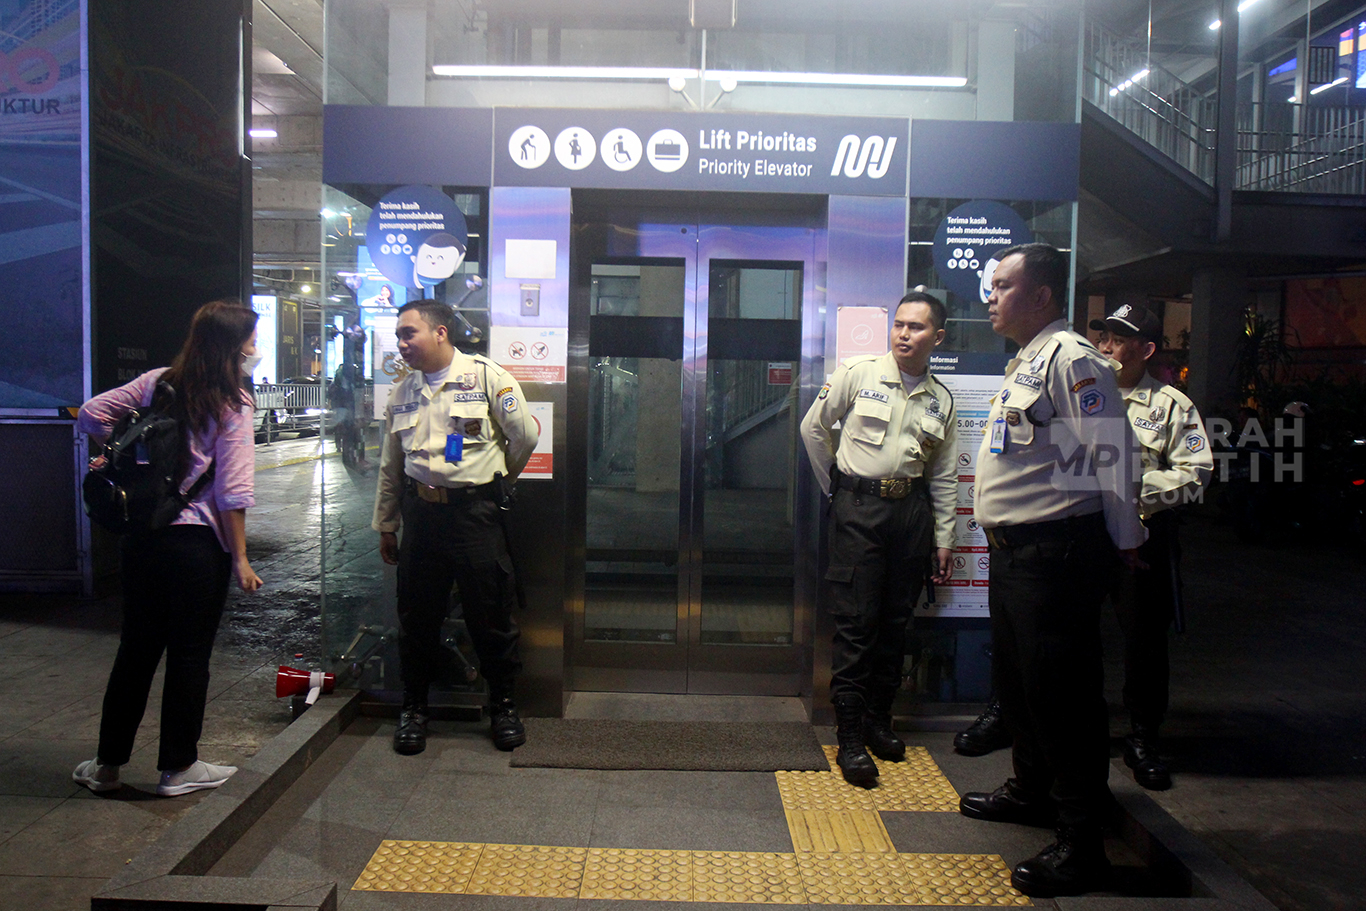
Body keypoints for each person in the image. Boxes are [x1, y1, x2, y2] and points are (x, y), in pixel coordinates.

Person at [959, 244, 1146, 898]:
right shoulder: (1027, 362)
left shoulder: (1072, 360)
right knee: (1020, 687)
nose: (991, 295)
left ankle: (1082, 842)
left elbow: (1114, 456)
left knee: (1063, 700)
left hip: (1057, 556)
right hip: (1018, 556)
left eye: (1004, 285)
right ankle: (1032, 790)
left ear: (1040, 295)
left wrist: (1125, 544)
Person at [72, 300, 264, 797]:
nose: (254, 346)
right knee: (189, 655)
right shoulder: (233, 402)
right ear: (232, 344)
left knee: (135, 652)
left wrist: (116, 450)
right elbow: (233, 490)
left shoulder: (158, 382)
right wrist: (240, 558)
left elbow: (92, 413)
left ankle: (107, 766)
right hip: (198, 545)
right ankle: (178, 768)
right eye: (249, 337)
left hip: (144, 537)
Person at [800, 291, 957, 784]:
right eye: (899, 325)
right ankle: (847, 736)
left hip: (910, 513)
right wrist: (840, 490)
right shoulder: (859, 373)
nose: (904, 334)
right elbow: (813, 429)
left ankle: (877, 722)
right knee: (856, 622)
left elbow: (946, 474)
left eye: (916, 327)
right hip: (858, 509)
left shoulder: (941, 399)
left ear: (938, 336)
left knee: (895, 624)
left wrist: (944, 538)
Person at [373, 299, 538, 755]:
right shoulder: (402, 391)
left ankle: (503, 707)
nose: (402, 343)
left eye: (410, 333)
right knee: (417, 617)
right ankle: (414, 709)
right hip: (421, 519)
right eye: (400, 335)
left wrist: (494, 482)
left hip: (474, 516)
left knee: (490, 614)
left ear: (440, 332)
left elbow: (523, 437)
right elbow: (392, 466)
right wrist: (387, 524)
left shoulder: (487, 377)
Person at [1093, 304, 1212, 791]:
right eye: (1103, 338)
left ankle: (1142, 737)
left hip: (1142, 536)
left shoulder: (1171, 405)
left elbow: (1196, 473)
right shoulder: (1081, 395)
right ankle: (1069, 729)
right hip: (1079, 534)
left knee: (1143, 640)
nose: (1105, 347)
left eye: (1118, 341)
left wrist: (1130, 488)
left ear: (1145, 350)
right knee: (1066, 633)